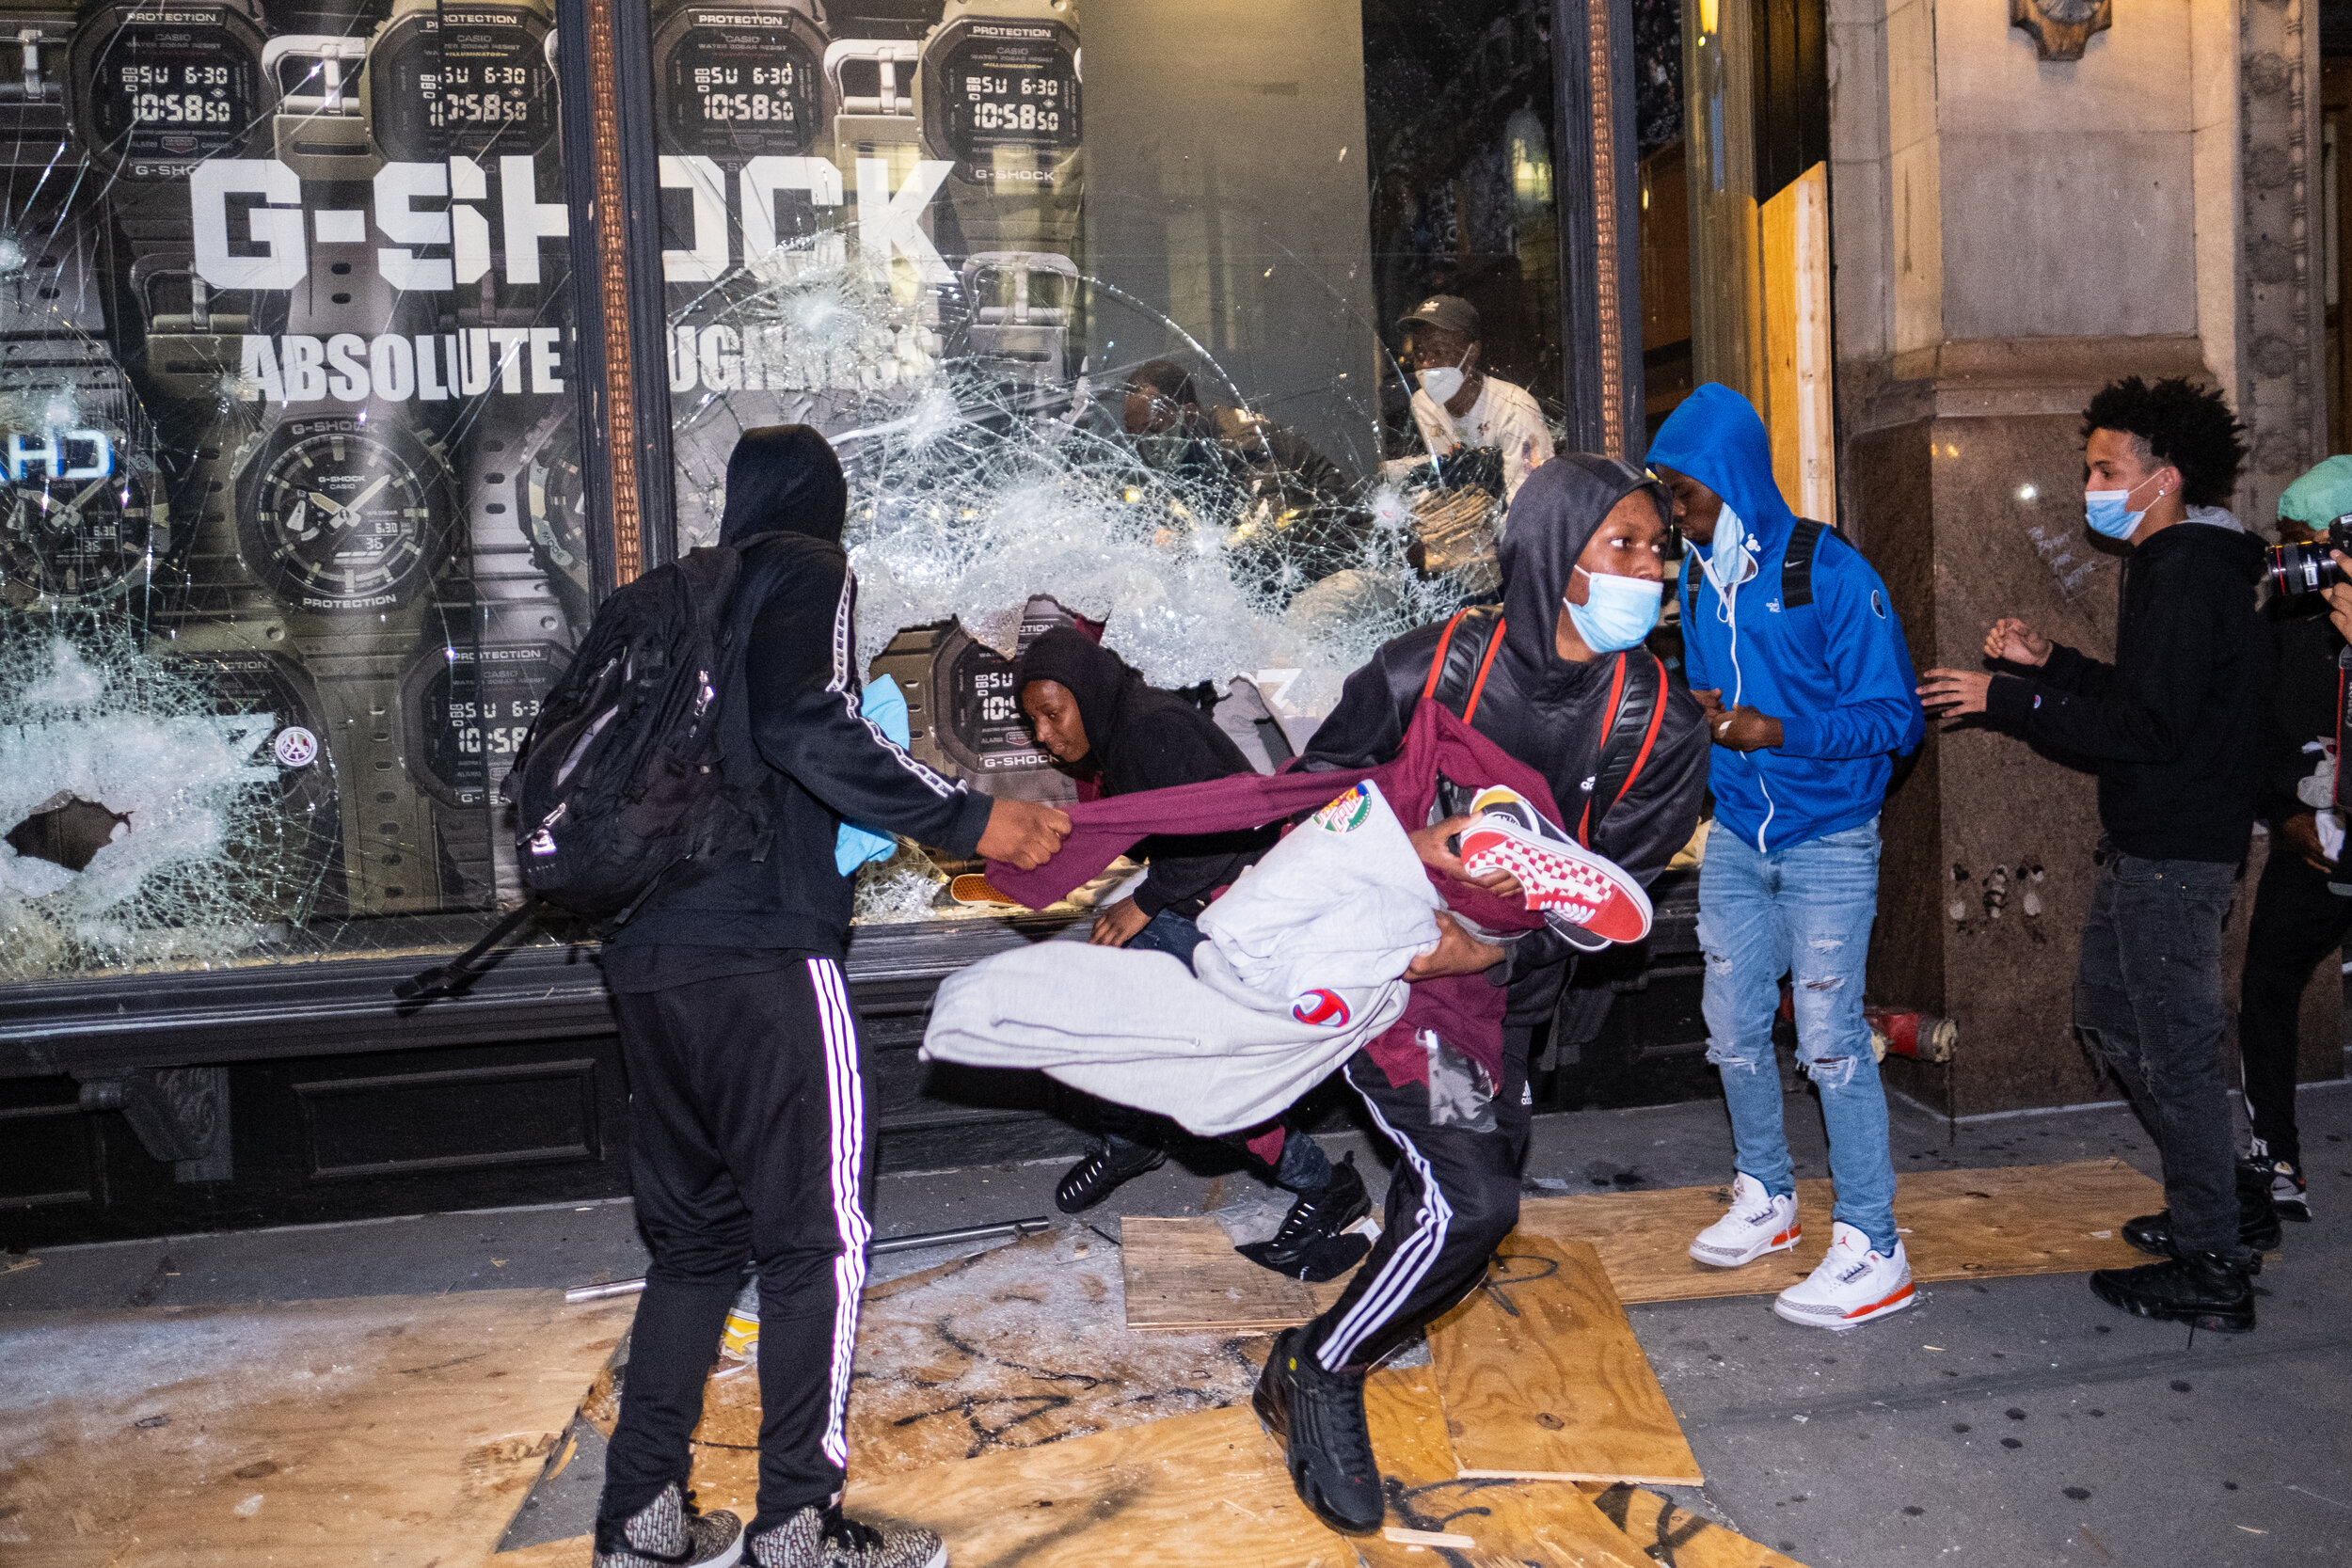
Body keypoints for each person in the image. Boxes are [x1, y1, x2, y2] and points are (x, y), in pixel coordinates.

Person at [593, 426, 1070, 1568]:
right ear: (824, 506)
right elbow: (805, 720)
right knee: (820, 1241)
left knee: (698, 1247)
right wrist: (969, 815)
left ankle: (639, 1520)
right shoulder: (804, 569)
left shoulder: (664, 600)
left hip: (646, 957)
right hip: (762, 955)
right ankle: (798, 1527)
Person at [1253, 452, 1708, 1533]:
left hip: (1506, 991)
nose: (1652, 569)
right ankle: (1317, 1369)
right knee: (1475, 1200)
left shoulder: (1660, 724)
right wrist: (1407, 865)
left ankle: (1370, 1310)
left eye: (1659, 548)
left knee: (1460, 1184)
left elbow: (1615, 894)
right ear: (1555, 554)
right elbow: (1315, 802)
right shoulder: (1431, 666)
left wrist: (1490, 951)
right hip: (1387, 969)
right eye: (1625, 546)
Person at [1919, 375, 2274, 1334]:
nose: (2089, 485)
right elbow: (2152, 698)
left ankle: (2214, 1261)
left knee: (2177, 1052)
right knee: (2110, 1018)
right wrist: (2051, 666)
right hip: (2154, 846)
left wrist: (2004, 699)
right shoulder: (2177, 565)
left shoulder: (2190, 569)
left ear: (2162, 478)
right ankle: (2223, 1197)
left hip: (2173, 854)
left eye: (2103, 469)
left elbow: (2150, 729)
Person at [1645, 384, 1926, 1331]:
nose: (1673, 514)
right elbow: (1711, 688)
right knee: (1728, 1025)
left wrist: (1778, 730)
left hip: (1828, 841)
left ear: (1727, 480)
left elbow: (1895, 718)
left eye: (1683, 494)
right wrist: (1701, 716)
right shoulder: (1695, 576)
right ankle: (1766, 1194)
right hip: (1737, 834)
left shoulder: (1829, 570)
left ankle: (1874, 1244)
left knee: (1831, 1041)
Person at [1015, 627, 1372, 1277]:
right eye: (1033, 718)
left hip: (1245, 912)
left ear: (1085, 697)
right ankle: (1133, 1140)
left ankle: (1327, 1188)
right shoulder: (1118, 730)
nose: (1044, 734)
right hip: (1201, 902)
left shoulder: (1152, 731)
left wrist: (1142, 903)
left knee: (1212, 1079)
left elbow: (1226, 833)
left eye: (1051, 713)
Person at [2233, 457, 2352, 1224]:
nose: (2294, 564)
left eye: (2307, 543)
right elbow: (2258, 731)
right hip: (2311, 838)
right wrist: (2288, 813)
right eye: (2288, 544)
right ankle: (2275, 1153)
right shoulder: (2282, 622)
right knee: (2268, 981)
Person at [1393, 293, 1553, 506]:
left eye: (1439, 352)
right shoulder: (1424, 404)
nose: (1426, 365)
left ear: (1472, 350)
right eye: (1420, 354)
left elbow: (1530, 503)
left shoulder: (1514, 408)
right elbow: (1446, 483)